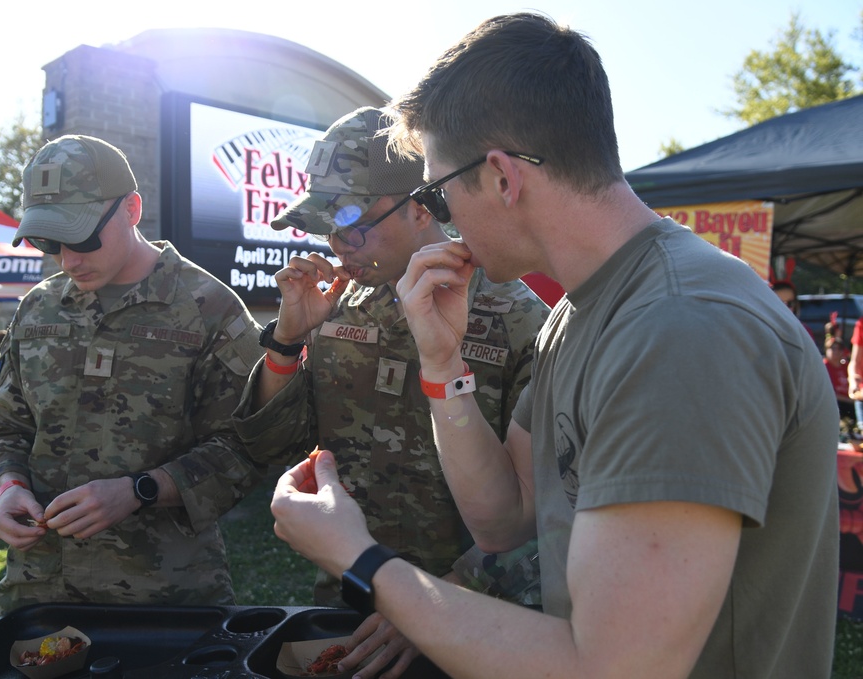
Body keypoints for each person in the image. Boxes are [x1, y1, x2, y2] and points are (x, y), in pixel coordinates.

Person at [270, 12, 839, 679]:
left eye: (439, 194)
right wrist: (442, 364)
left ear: (505, 178)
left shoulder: (681, 328)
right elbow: (504, 518)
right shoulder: (586, 308)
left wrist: (360, 559)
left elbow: (614, 667)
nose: (440, 218)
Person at [233, 106, 549, 676]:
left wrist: (444, 591)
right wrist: (285, 343)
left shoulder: (519, 319)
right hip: (349, 611)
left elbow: (554, 505)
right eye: (325, 227)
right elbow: (270, 452)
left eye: (353, 223)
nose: (338, 245)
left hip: (478, 619)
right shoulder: (337, 305)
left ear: (423, 205)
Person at [0, 134, 264, 618]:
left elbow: (248, 448)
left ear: (131, 209)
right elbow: (6, 425)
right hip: (40, 590)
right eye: (49, 242)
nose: (68, 260)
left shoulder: (208, 308)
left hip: (166, 597)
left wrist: (140, 491)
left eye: (84, 236)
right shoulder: (38, 306)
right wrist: (7, 487)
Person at [824, 335, 855, 422]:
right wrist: (849, 400)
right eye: (832, 348)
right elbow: (828, 393)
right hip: (834, 402)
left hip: (850, 401)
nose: (836, 351)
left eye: (839, 348)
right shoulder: (823, 367)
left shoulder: (846, 366)